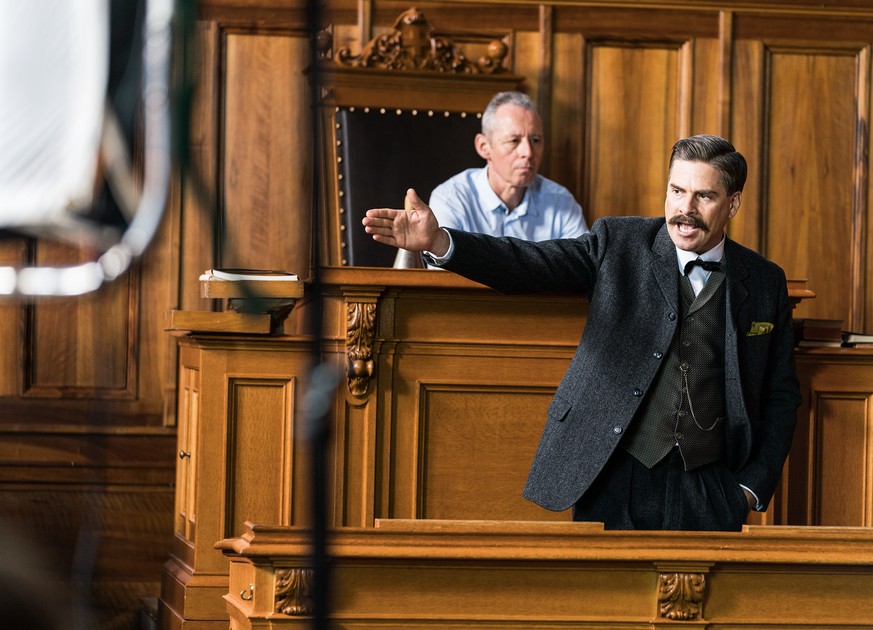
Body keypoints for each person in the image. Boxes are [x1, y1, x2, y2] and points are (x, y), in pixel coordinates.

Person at [363, 134, 801, 532]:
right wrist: (441, 242)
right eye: (676, 191)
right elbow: (527, 262)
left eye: (703, 195)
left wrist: (749, 488)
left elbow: (781, 395)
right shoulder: (619, 241)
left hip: (711, 487)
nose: (685, 208)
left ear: (733, 203)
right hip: (611, 475)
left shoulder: (763, 281)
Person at [428, 91, 588, 240]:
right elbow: (442, 270)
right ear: (484, 146)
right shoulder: (451, 199)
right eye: (514, 140)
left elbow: (583, 267)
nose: (528, 152)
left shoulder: (560, 201)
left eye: (535, 140)